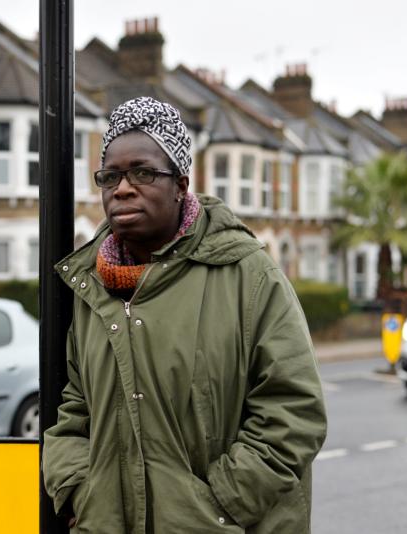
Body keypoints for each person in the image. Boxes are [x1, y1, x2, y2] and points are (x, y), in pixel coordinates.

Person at [43, 96, 327, 533]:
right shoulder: (91, 285)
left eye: (143, 172)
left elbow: (293, 410)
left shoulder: (247, 274)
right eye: (110, 176)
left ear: (180, 183)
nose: (122, 188)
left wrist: (217, 506)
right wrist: (82, 491)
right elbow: (75, 409)